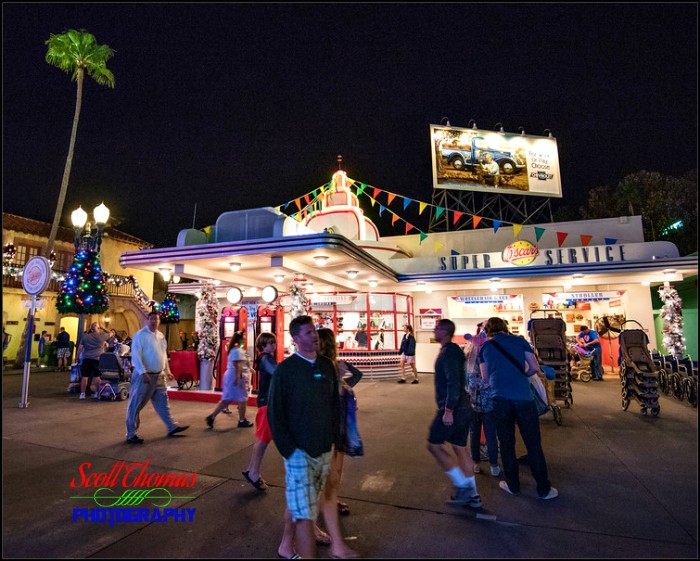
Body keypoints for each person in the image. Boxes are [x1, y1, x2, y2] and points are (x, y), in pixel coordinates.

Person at [267, 315, 340, 559]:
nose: (315, 335)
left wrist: (334, 440)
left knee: (310, 504)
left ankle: (291, 544)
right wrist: (290, 450)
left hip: (324, 449)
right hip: (299, 453)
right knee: (303, 513)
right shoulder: (286, 370)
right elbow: (275, 414)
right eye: (308, 332)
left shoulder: (326, 365)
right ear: (296, 339)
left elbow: (334, 405)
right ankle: (292, 549)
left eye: (315, 331)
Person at [478, 316, 558, 500]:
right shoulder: (520, 341)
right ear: (505, 327)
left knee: (506, 444)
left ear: (488, 330)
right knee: (533, 444)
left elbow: (485, 377)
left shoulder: (486, 348)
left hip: (500, 399)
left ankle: (512, 485)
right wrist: (521, 374)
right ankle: (544, 490)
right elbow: (535, 368)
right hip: (523, 397)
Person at [316, 327, 362, 558]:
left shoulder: (331, 366)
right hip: (334, 428)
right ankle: (319, 517)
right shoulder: (323, 368)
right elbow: (356, 377)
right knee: (329, 474)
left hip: (336, 427)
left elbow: (355, 376)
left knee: (332, 473)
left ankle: (330, 501)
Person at [427, 318, 482, 509]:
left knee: (434, 445)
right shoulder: (451, 351)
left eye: (436, 328)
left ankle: (462, 486)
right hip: (463, 406)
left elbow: (453, 382)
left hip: (453, 408)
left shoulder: (449, 352)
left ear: (444, 331)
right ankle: (473, 495)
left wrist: (448, 410)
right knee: (460, 447)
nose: (434, 330)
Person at [125, 311, 189, 444]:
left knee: (163, 403)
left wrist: (167, 370)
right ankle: (131, 434)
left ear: (159, 321)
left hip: (158, 376)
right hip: (145, 376)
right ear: (147, 320)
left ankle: (171, 426)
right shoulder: (140, 335)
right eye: (152, 318)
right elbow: (136, 356)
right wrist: (142, 372)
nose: (154, 321)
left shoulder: (160, 336)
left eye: (156, 319)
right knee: (135, 405)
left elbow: (163, 355)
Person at [242, 332, 278, 491]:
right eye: (269, 343)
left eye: (273, 342)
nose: (273, 345)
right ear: (262, 345)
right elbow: (277, 373)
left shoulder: (263, 358)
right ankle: (254, 472)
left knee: (263, 438)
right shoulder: (266, 359)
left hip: (266, 401)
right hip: (267, 403)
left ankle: (252, 470)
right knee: (263, 439)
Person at [464, 331, 500, 477]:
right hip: (489, 403)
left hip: (472, 403)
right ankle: (494, 465)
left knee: (474, 434)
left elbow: (465, 384)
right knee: (491, 434)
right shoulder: (489, 359)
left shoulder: (467, 363)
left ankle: (476, 463)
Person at [205, 331, 253, 429]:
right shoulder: (237, 351)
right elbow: (237, 365)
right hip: (235, 376)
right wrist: (237, 378)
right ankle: (242, 420)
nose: (244, 339)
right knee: (243, 399)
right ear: (239, 339)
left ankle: (212, 416)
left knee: (227, 399)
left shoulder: (234, 350)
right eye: (242, 338)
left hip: (231, 375)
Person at [77, 323, 110, 400]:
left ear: (90, 329)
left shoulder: (85, 337)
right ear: (98, 328)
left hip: (87, 358)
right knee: (97, 377)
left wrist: (77, 357)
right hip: (98, 359)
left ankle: (82, 394)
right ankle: (97, 393)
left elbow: (80, 348)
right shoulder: (102, 336)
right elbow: (111, 333)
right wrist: (103, 327)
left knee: (84, 377)